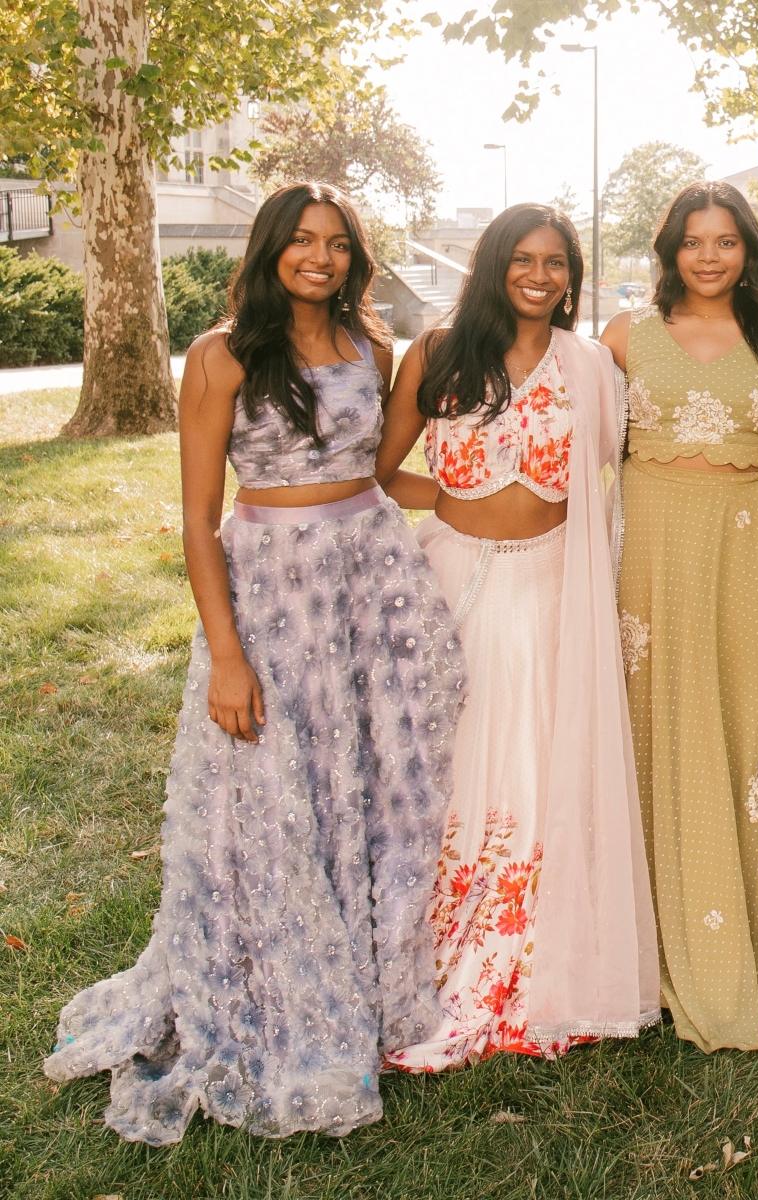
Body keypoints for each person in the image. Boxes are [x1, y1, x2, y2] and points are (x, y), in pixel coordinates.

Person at [43, 183, 464, 1143]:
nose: (321, 257)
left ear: (356, 257)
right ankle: (281, 981)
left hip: (373, 581)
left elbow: (377, 469)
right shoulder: (221, 355)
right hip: (273, 595)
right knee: (280, 784)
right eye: (304, 241)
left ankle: (380, 965)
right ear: (272, 247)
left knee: (383, 780)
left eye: (339, 244)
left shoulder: (372, 347)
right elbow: (197, 519)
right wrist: (228, 656)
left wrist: (481, 503)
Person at [378, 203, 658, 1072]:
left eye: (557, 263)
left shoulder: (590, 364)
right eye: (525, 260)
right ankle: (436, 943)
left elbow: (637, 467)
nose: (542, 277)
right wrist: (453, 507)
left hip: (554, 587)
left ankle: (542, 948)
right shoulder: (434, 352)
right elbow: (382, 471)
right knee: (457, 755)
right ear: (496, 263)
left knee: (544, 757)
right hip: (458, 580)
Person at [600, 182, 758, 1053]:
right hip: (649, 539)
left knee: (733, 723)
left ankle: (736, 946)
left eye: (726, 241)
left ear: (747, 250)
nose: (711, 256)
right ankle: (635, 948)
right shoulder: (622, 337)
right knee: (649, 720)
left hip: (741, 539)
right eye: (694, 241)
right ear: (670, 251)